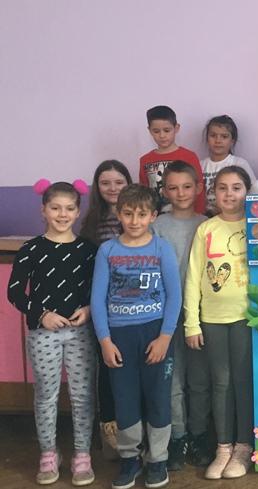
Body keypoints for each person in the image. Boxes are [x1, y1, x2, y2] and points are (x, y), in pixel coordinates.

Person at [91, 184, 182, 489]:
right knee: (125, 399)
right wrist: (105, 340)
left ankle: (157, 459)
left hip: (155, 334)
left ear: (153, 216)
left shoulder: (161, 249)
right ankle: (130, 458)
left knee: (158, 397)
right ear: (118, 214)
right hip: (119, 337)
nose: (134, 220)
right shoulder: (107, 251)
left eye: (141, 214)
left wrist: (165, 337)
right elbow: (97, 299)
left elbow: (174, 296)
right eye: (128, 213)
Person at [7, 181, 98, 486]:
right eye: (55, 208)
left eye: (69, 208)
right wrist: (42, 314)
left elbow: (98, 289)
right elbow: (14, 292)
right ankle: (48, 452)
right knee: (46, 395)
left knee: (82, 395)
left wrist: (89, 309)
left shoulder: (88, 250)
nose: (62, 214)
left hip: (80, 333)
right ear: (43, 210)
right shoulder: (30, 249)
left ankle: (82, 454)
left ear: (78, 211)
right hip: (42, 335)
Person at [184, 166, 253, 479]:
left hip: (247, 318)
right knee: (220, 383)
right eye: (222, 188)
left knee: (243, 382)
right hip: (212, 319)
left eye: (236, 187)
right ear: (213, 193)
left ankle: (243, 448)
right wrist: (192, 323)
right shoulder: (206, 229)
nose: (229, 194)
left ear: (247, 191)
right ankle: (223, 448)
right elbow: (193, 277)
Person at [149, 161, 209, 470]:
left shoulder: (208, 224)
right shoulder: (156, 226)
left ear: (198, 188)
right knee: (171, 381)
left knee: (198, 381)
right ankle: (177, 437)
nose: (181, 193)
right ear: (164, 191)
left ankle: (199, 435)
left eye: (187, 187)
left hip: (201, 317)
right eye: (173, 188)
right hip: (166, 318)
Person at [79, 160, 132, 461]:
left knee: (133, 370)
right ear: (97, 187)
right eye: (105, 183)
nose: (112, 188)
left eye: (119, 182)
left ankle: (135, 432)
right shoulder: (91, 223)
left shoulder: (137, 219)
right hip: (102, 309)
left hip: (134, 310)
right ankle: (109, 432)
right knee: (107, 368)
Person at [140, 105, 206, 214]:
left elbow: (199, 192)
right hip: (155, 219)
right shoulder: (145, 160)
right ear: (150, 130)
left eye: (167, 130)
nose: (162, 135)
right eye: (156, 131)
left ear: (176, 128)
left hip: (187, 217)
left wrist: (199, 218)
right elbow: (143, 195)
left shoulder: (189, 156)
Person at [200, 115, 257, 216]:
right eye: (213, 135)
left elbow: (253, 193)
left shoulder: (239, 164)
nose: (218, 140)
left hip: (234, 217)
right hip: (205, 218)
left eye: (224, 137)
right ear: (207, 138)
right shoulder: (200, 165)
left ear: (232, 141)